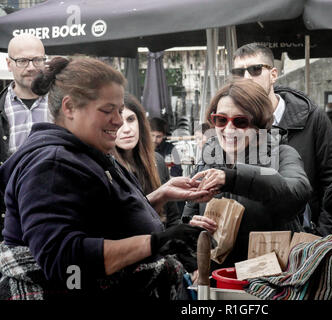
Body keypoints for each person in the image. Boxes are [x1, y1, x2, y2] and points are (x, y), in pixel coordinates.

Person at [0, 57, 211, 299]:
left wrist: (160, 195)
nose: (119, 121)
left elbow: (99, 218)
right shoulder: (53, 164)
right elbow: (65, 262)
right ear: (69, 108)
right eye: (107, 110)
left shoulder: (85, 151)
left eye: (120, 111)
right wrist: (156, 242)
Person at [182, 79, 312, 269]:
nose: (228, 129)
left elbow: (296, 194)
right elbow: (187, 219)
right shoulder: (208, 159)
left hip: (271, 283)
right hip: (219, 281)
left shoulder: (283, 153)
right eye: (221, 119)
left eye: (240, 121)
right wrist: (192, 230)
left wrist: (232, 178)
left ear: (259, 124)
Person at [232, 43, 332, 236]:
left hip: (303, 241)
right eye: (239, 72)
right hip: (248, 245)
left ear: (273, 74)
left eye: (255, 69)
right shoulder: (230, 124)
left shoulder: (312, 118)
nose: (247, 78)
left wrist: (321, 239)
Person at [0, 34, 50, 241]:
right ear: (9, 63)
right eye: (22, 61)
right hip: (10, 217)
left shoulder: (66, 104)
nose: (31, 67)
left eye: (37, 60)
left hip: (56, 210)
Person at [115, 93, 181, 227]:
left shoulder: (157, 161)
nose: (126, 129)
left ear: (140, 122)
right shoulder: (105, 169)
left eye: (131, 119)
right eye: (119, 122)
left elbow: (173, 219)